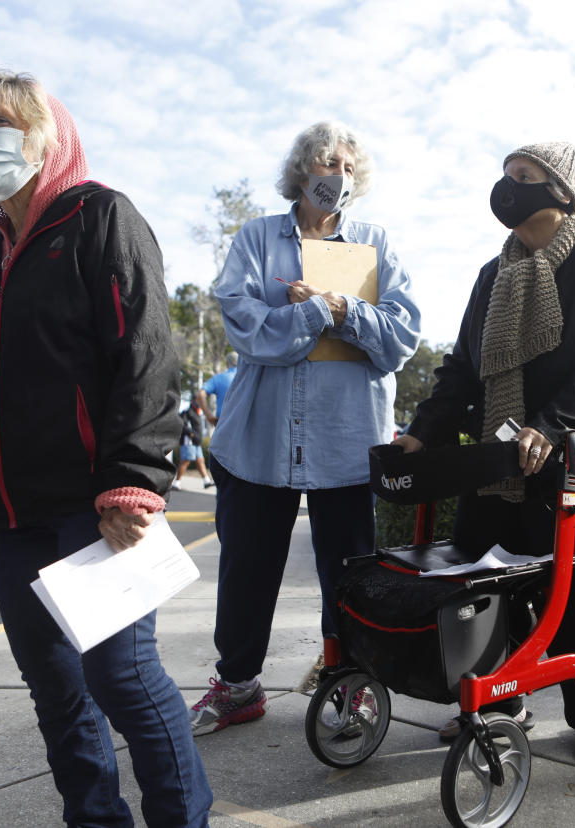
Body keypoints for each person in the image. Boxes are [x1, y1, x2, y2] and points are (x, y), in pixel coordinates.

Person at [0, 70, 210, 826]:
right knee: (55, 691)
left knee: (121, 677)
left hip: (95, 509)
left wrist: (131, 482)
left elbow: (147, 357)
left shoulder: (104, 219)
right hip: (13, 512)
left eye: (1, 127)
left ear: (45, 137)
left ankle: (181, 816)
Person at [394, 141, 575, 762]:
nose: (509, 187)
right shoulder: (493, 274)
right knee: (484, 582)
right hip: (499, 463)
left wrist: (549, 423)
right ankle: (496, 699)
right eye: (505, 176)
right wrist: (422, 432)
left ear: (561, 191)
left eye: (525, 176)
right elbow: (462, 369)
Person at [191, 122, 420, 736]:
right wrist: (314, 313)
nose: (336, 177)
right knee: (247, 568)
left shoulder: (374, 246)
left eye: (347, 167)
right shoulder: (256, 239)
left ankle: (351, 687)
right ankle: (238, 686)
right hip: (258, 445)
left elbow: (400, 340)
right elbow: (245, 326)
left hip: (345, 444)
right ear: (300, 171)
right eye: (325, 163)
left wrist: (341, 309)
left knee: (348, 576)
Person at [171, 394, 213, 490]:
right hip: (189, 442)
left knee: (200, 460)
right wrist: (191, 435)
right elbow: (183, 425)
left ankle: (206, 481)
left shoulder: (198, 413)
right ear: (193, 401)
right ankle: (176, 483)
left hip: (196, 443)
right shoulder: (187, 412)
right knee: (185, 461)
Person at [201, 351, 238, 426]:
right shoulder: (249, 378)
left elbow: (200, 395)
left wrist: (209, 417)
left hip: (224, 423)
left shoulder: (218, 378)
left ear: (227, 363)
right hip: (247, 423)